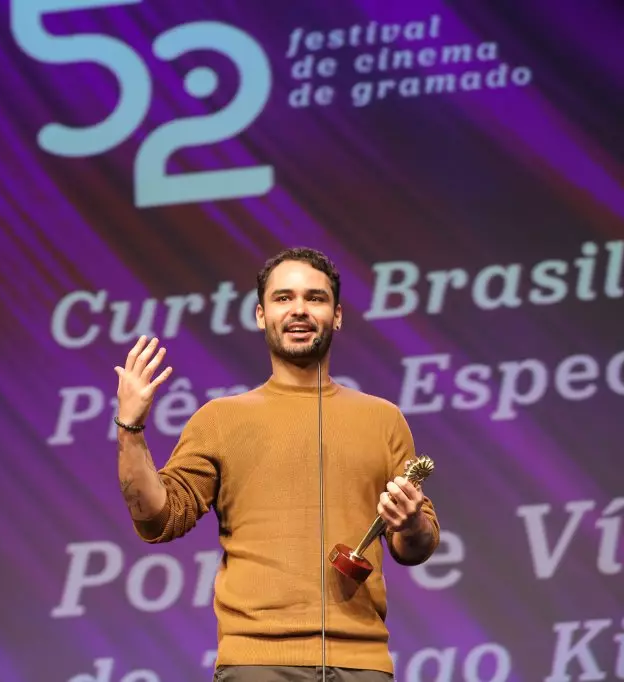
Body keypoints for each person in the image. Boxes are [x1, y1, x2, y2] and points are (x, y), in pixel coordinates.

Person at [113, 247, 440, 682]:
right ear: (260, 314)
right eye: (284, 298)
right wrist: (130, 428)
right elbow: (158, 519)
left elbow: (416, 547)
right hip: (257, 664)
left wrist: (410, 521)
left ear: (338, 315)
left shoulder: (383, 419)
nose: (299, 309)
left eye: (316, 298)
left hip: (361, 664)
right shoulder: (221, 419)